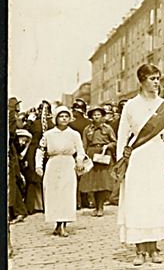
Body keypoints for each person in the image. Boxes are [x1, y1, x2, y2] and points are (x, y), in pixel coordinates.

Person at [115, 64, 164, 266]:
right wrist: (121, 162)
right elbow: (122, 135)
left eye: (158, 78)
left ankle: (153, 247)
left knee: (156, 201)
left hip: (158, 156)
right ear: (142, 81)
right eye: (152, 78)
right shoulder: (131, 105)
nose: (157, 82)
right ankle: (140, 250)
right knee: (138, 201)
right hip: (137, 157)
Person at [35, 106, 86, 237]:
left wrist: (79, 160)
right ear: (56, 118)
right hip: (53, 164)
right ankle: (57, 224)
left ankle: (63, 225)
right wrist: (38, 166)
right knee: (53, 193)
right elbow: (40, 151)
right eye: (61, 116)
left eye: (66, 116)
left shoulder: (74, 134)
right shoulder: (48, 134)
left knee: (66, 194)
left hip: (68, 164)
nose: (64, 119)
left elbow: (80, 150)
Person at [79, 105, 117, 217]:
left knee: (103, 182)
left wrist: (108, 146)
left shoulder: (107, 129)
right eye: (94, 115)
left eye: (98, 115)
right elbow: (84, 144)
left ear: (102, 116)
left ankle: (100, 207)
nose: (96, 117)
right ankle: (96, 207)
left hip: (104, 154)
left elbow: (114, 142)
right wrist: (83, 157)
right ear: (91, 117)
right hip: (91, 154)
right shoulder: (87, 129)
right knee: (93, 183)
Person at [25, 101, 53, 214]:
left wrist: (29, 120)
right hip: (47, 152)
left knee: (33, 179)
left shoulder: (34, 124)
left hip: (33, 152)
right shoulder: (51, 124)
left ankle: (33, 206)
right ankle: (45, 205)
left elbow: (26, 130)